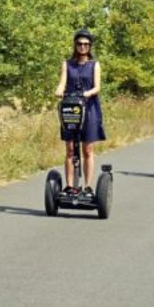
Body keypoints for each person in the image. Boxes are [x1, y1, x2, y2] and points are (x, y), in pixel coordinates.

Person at [54, 28, 106, 196]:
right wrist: (59, 90)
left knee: (87, 149)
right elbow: (63, 82)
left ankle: (88, 186)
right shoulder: (67, 64)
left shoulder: (94, 65)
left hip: (89, 108)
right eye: (79, 44)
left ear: (90, 46)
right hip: (70, 108)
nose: (83, 47)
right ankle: (70, 186)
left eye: (86, 44)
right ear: (75, 45)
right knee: (70, 148)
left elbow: (97, 87)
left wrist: (87, 93)